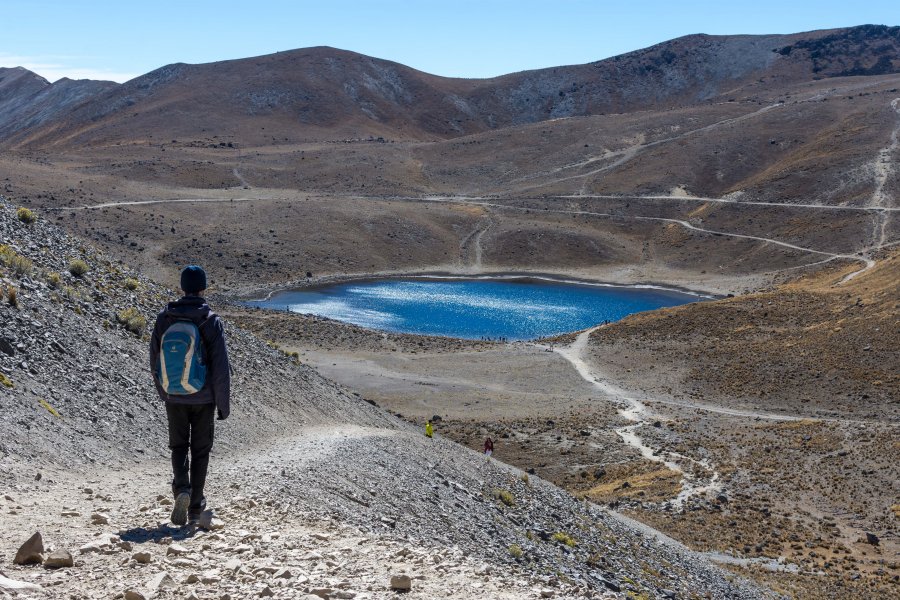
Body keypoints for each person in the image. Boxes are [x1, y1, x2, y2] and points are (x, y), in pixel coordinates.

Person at [150, 265, 231, 526]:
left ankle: (181, 489)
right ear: (203, 288)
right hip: (203, 397)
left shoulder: (165, 317)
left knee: (178, 446)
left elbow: (154, 358)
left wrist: (165, 391)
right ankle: (195, 508)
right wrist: (222, 404)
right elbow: (220, 366)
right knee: (200, 451)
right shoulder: (209, 319)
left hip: (174, 394)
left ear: (182, 287)